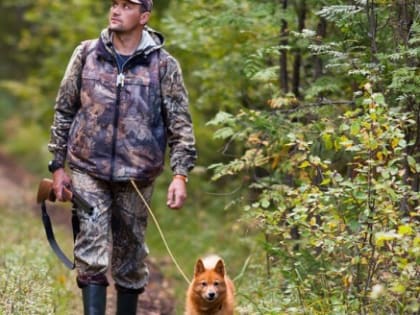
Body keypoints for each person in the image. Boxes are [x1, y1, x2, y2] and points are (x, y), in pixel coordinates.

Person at [47, 0, 197, 314]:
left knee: (130, 259)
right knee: (91, 252)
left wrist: (180, 175)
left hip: (138, 174)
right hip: (88, 168)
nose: (116, 10)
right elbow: (64, 110)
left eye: (126, 5)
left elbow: (180, 124)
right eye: (114, 4)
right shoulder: (87, 54)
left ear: (144, 17)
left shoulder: (162, 65)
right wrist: (57, 166)